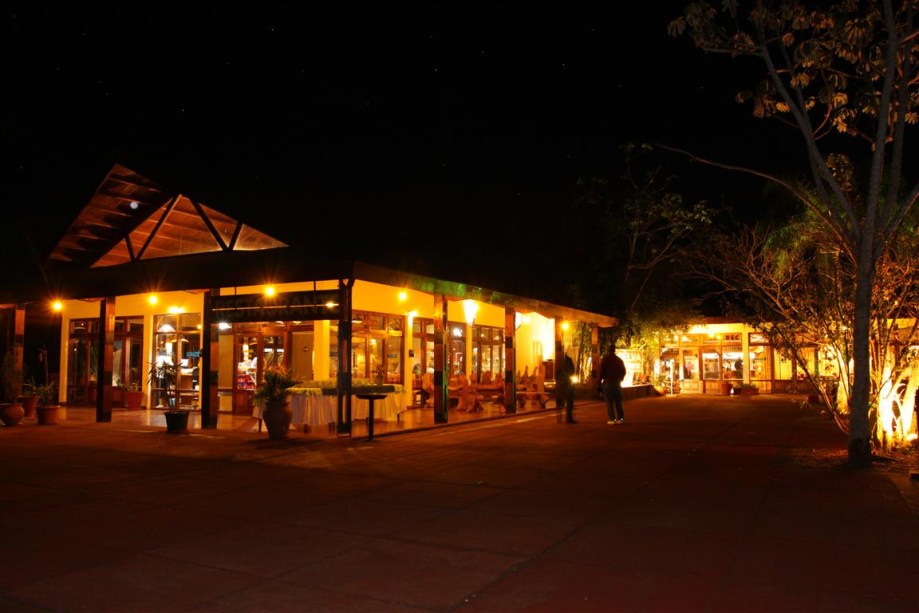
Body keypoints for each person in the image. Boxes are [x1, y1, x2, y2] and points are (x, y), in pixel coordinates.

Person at [599, 345, 626, 424]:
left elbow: (601, 372)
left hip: (607, 383)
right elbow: (623, 371)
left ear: (608, 350)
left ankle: (612, 419)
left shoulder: (605, 359)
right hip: (617, 383)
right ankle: (620, 419)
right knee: (618, 401)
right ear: (614, 350)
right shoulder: (619, 360)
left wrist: (598, 383)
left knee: (609, 402)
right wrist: (620, 379)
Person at [556, 353, 576, 423]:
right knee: (569, 401)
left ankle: (559, 417)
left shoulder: (559, 362)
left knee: (560, 401)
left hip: (561, 384)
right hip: (568, 383)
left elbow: (557, 373)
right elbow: (572, 371)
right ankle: (568, 418)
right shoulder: (569, 362)